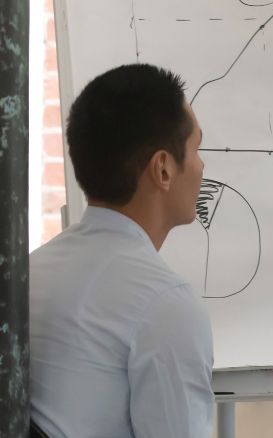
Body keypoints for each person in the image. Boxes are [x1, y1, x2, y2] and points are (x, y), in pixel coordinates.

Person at [29, 63, 213, 438]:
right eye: (196, 148)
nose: (202, 164)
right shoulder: (164, 303)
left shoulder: (32, 270)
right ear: (163, 169)